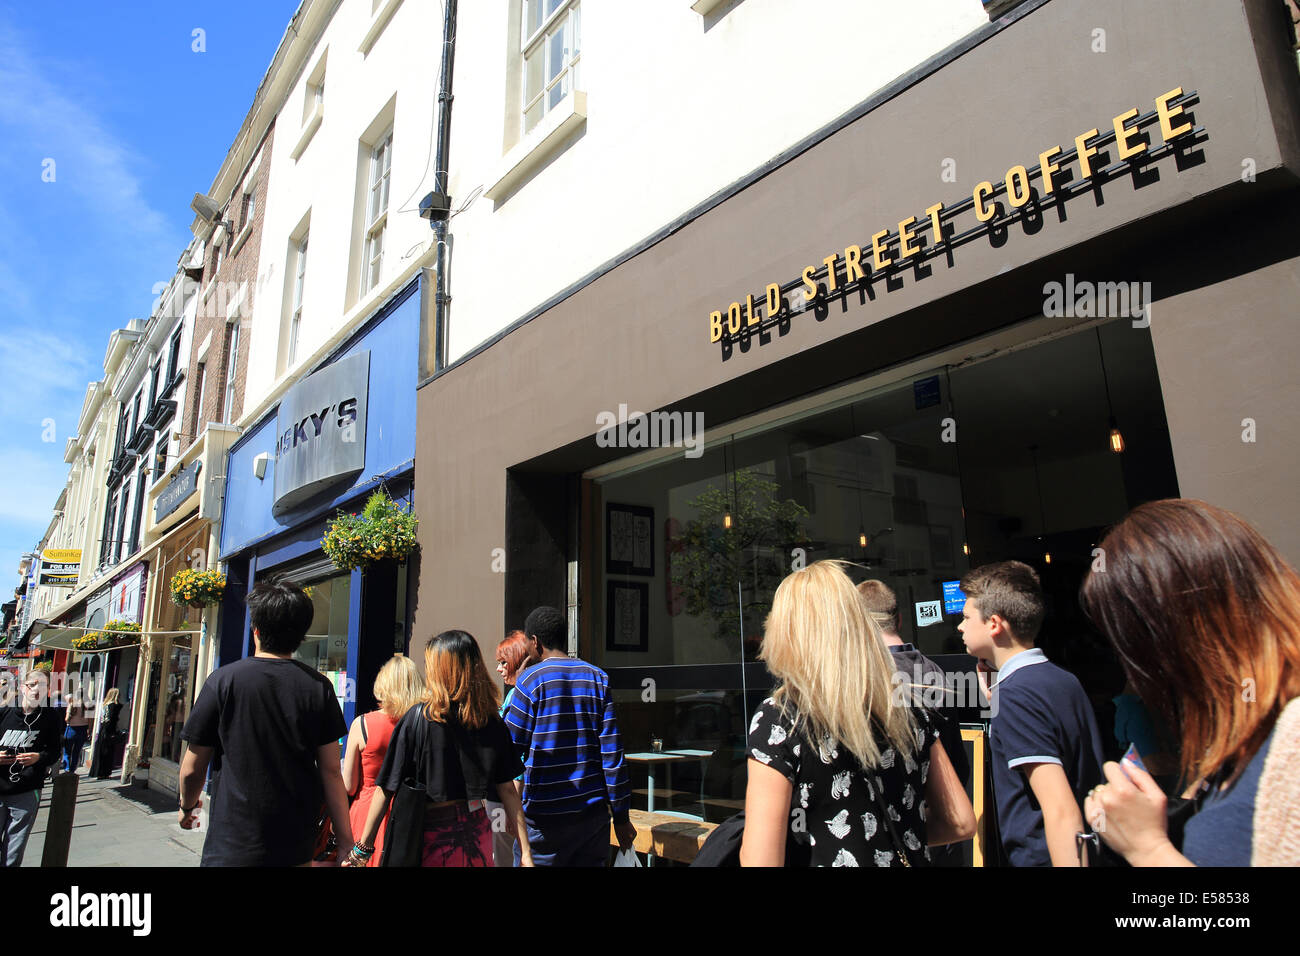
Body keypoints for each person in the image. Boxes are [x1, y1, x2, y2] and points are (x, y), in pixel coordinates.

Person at [1079, 499, 1300, 866]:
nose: (1135, 668)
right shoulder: (1245, 741)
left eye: (1134, 643)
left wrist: (1147, 848)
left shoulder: (1290, 737)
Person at [741, 561, 975, 867]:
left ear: (786, 632)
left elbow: (760, 860)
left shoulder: (782, 718)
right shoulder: (910, 704)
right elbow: (960, 822)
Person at [178, 581, 352, 866]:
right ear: (301, 635)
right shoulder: (318, 687)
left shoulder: (223, 682)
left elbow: (192, 768)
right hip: (294, 847)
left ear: (256, 630)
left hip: (232, 846)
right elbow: (332, 771)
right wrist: (345, 840)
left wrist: (188, 807)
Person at [958, 560, 1105, 866]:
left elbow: (1060, 810)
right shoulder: (1063, 679)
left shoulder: (1016, 696)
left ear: (994, 624)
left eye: (966, 616)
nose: (960, 626)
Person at [344, 630, 532, 867]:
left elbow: (386, 788)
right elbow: (508, 789)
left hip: (431, 834)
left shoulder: (418, 718)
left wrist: (362, 849)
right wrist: (525, 853)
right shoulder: (490, 721)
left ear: (440, 670)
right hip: (477, 833)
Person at [504, 606, 636, 866]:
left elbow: (507, 747)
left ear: (535, 642)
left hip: (543, 819)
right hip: (592, 819)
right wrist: (621, 817)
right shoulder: (597, 678)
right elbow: (612, 756)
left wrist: (510, 811)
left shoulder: (531, 681)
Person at [857, 579, 972, 792]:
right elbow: (958, 766)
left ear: (859, 625)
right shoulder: (935, 673)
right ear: (899, 620)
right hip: (938, 803)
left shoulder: (864, 679)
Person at [340, 655, 424, 867]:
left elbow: (349, 786)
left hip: (366, 814)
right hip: (409, 813)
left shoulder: (363, 724)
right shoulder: (422, 725)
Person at [0, 670, 64, 867]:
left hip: (27, 789)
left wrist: (38, 757)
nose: (36, 689)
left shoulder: (51, 717)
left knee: (14, 850)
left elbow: (55, 751)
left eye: (42, 686)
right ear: (22, 687)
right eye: (32, 684)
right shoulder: (4, 712)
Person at [487, 630, 534, 866]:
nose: (499, 669)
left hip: (510, 795)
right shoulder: (513, 696)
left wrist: (511, 804)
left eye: (504, 662)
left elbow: (518, 754)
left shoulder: (519, 697)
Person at [91, 688, 124, 780]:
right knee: (107, 753)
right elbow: (111, 720)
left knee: (101, 753)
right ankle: (105, 772)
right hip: (109, 731)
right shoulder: (114, 706)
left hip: (103, 730)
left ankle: (99, 772)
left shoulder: (104, 705)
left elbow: (103, 719)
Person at [63, 693, 90, 774]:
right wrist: (89, 730)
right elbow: (90, 720)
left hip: (71, 729)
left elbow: (67, 719)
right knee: (76, 751)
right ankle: (72, 769)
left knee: (67, 751)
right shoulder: (87, 706)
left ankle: (67, 767)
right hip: (82, 729)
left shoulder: (72, 705)